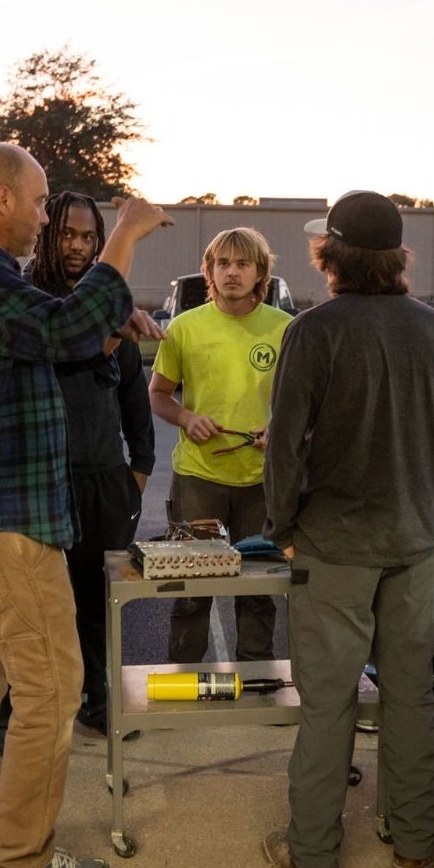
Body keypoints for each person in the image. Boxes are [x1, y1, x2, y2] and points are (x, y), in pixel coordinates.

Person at [0, 142, 171, 868]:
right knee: (54, 690)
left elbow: (55, 341)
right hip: (6, 527)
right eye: (36, 201)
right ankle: (20, 863)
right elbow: (63, 330)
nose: (43, 216)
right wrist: (122, 235)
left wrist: (113, 330)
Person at [262, 191, 434, 868]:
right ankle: (415, 844)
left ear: (331, 254)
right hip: (412, 544)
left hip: (333, 548)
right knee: (413, 698)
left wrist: (283, 527)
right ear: (398, 256)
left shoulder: (313, 331)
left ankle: (314, 857)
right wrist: (433, 525)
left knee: (329, 705)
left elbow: (283, 449)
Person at [23, 190, 155, 738]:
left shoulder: (110, 306)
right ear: (45, 235)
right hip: (42, 484)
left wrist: (137, 474)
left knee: (100, 608)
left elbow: (134, 402)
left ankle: (99, 704)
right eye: (67, 234)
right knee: (37, 615)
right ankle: (22, 717)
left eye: (88, 237)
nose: (77, 246)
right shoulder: (27, 305)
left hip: (104, 484)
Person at [149, 227, 292, 663]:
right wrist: (187, 418)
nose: (232, 272)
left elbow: (307, 403)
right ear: (208, 271)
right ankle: (184, 676)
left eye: (242, 264)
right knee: (193, 588)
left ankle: (257, 680)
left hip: (260, 481)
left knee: (257, 588)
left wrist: (281, 431)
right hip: (198, 478)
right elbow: (157, 394)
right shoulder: (184, 328)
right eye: (222, 264)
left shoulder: (286, 328)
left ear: (260, 272)